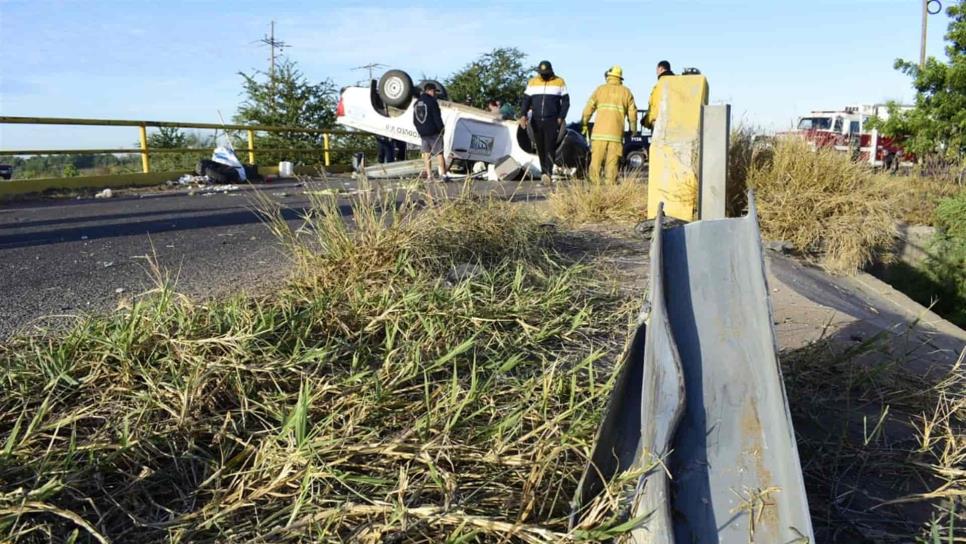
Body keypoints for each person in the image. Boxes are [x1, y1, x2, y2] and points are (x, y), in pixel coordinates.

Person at [581, 65, 638, 184]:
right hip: (615, 135)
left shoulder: (600, 89)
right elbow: (632, 113)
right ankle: (610, 186)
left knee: (595, 161)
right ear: (620, 78)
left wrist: (584, 123)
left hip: (598, 134)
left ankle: (594, 186)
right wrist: (633, 129)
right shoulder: (626, 92)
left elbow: (588, 109)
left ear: (609, 76)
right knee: (612, 163)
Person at [519, 60, 570, 183]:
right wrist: (523, 115)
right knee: (540, 147)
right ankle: (544, 172)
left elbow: (566, 102)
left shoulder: (559, 82)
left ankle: (548, 172)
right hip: (536, 120)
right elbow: (526, 101)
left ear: (551, 71)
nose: (544, 75)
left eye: (546, 73)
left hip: (552, 120)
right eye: (542, 73)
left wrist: (561, 117)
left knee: (550, 147)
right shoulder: (532, 82)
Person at [413, 82, 447, 180]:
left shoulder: (416, 103)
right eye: (435, 92)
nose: (436, 94)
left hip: (423, 133)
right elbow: (437, 118)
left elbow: (415, 120)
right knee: (439, 153)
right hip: (434, 132)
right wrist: (441, 129)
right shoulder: (432, 102)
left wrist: (420, 130)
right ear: (430, 91)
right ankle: (443, 175)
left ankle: (429, 176)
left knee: (426, 154)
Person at [644, 60, 675, 130]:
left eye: (657, 70)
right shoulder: (675, 82)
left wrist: (648, 121)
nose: (656, 72)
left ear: (661, 69)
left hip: (660, 123)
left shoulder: (661, 84)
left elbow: (656, 105)